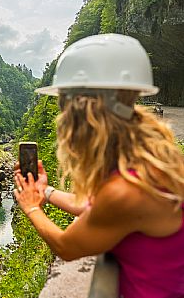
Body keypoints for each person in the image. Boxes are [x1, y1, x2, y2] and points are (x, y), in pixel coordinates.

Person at [13, 34, 184, 298]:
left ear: (83, 113)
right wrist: (44, 191)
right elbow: (93, 206)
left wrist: (31, 206)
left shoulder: (125, 191)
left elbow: (67, 247)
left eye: (64, 105)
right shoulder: (149, 157)